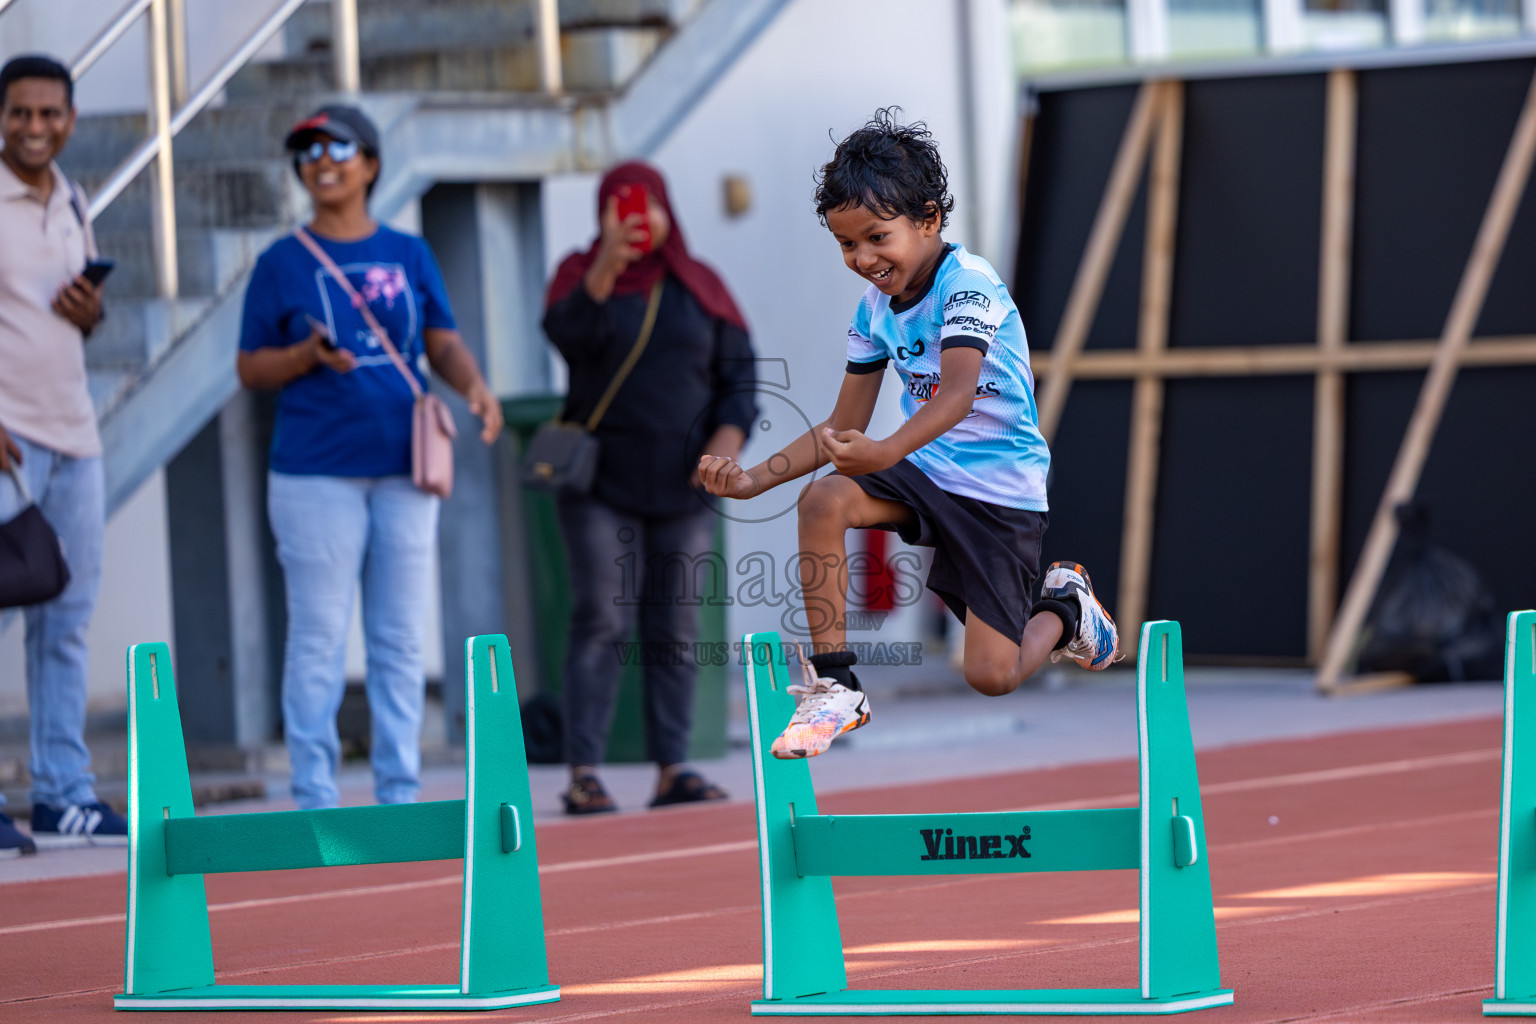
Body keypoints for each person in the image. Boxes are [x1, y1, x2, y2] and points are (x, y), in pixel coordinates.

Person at [698, 109, 1120, 759]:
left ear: (928, 219)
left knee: (992, 675)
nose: (864, 259)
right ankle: (836, 686)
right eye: (847, 245)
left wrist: (885, 450)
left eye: (877, 237)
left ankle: (1066, 608)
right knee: (823, 500)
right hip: (929, 469)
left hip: (999, 491)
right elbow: (843, 425)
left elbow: (956, 395)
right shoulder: (874, 311)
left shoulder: (968, 286)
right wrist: (753, 481)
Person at [237, 104, 502, 810]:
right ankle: (314, 795)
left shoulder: (409, 252)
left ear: (372, 164)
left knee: (399, 638)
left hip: (404, 468)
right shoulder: (280, 262)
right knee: (319, 637)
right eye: (308, 152)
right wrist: (304, 356)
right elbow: (249, 368)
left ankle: (399, 793)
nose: (322, 162)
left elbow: (441, 339)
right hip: (314, 473)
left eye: (338, 148)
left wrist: (475, 387)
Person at [542, 161, 757, 814]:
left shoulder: (700, 284)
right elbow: (569, 337)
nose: (638, 218)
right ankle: (584, 772)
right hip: (599, 483)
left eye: (648, 204)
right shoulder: (581, 274)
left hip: (685, 484)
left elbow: (740, 381)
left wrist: (725, 446)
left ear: (668, 210)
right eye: (622, 206)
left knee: (677, 628)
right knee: (602, 621)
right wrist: (609, 259)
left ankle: (673, 768)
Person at [0, 55, 123, 855]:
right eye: (20, 112)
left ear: (71, 120)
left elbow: (76, 322)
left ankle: (62, 796)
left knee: (66, 623)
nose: (35, 127)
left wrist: (90, 313)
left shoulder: (73, 198)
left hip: (75, 436)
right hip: (8, 442)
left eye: (50, 113)